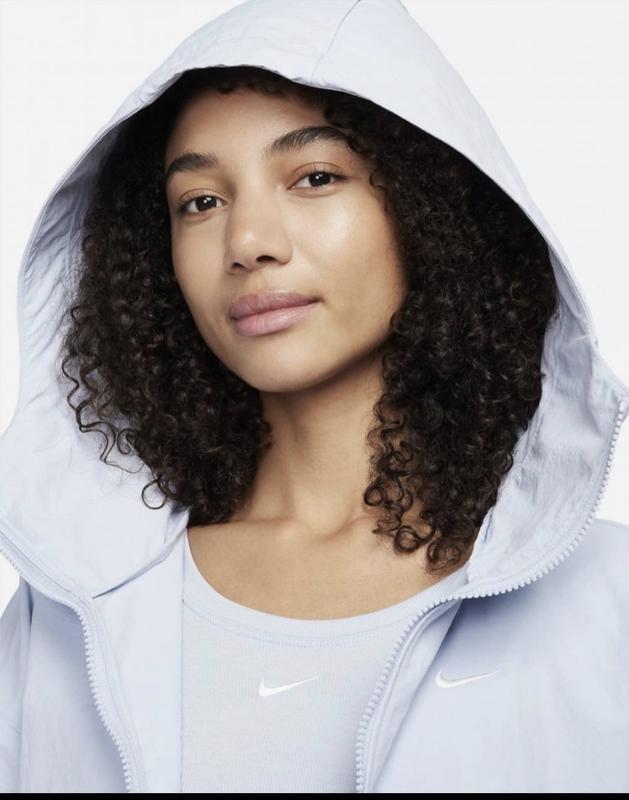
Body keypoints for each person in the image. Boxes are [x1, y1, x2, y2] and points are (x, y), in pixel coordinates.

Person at [1, 0, 628, 793]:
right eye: (200, 201)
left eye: (315, 178)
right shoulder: (72, 606)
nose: (247, 242)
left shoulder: (608, 605)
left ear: (425, 210)